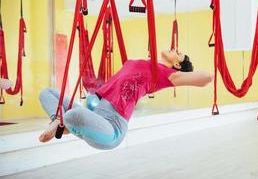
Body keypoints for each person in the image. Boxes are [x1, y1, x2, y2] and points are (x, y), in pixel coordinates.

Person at [39, 50, 213, 149]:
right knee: (47, 93)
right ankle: (64, 125)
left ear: (176, 65)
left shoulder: (168, 75)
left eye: (179, 53)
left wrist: (182, 74)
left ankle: (60, 124)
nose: (174, 49)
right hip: (96, 117)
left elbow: (207, 78)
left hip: (112, 129)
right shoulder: (146, 64)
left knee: (73, 115)